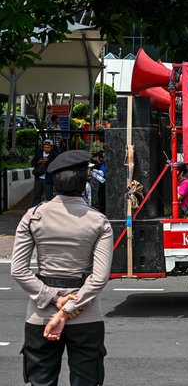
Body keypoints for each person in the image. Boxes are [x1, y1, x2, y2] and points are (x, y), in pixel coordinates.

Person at [11, 150, 113, 386]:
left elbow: (18, 269)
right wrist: (68, 308)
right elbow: (99, 278)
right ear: (84, 181)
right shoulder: (98, 221)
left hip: (41, 312)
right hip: (84, 313)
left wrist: (53, 299)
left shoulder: (33, 216)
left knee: (41, 381)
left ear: (54, 182)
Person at [31, 139, 58, 206]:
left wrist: (48, 161)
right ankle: (34, 211)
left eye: (48, 147)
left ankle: (48, 213)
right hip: (38, 179)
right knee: (36, 197)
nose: (46, 149)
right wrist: (38, 162)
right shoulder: (39, 153)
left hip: (48, 179)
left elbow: (56, 166)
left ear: (51, 147)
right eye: (45, 147)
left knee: (49, 198)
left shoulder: (54, 155)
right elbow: (32, 163)